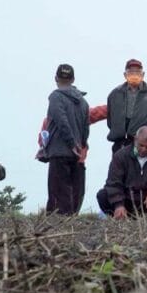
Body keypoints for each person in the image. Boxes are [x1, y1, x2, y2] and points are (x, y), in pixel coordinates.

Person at [97, 126, 147, 219]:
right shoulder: (120, 156)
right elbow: (113, 182)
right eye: (141, 145)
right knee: (103, 195)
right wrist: (118, 204)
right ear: (135, 139)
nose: (144, 149)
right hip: (127, 201)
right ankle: (119, 216)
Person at [44, 64, 90, 215]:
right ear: (73, 79)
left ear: (56, 79)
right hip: (76, 153)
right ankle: (70, 220)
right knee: (72, 193)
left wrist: (71, 143)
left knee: (58, 195)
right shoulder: (83, 102)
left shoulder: (56, 97)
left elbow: (61, 121)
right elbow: (86, 129)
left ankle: (57, 220)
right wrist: (80, 145)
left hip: (60, 151)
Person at [106, 59, 147, 153]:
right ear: (125, 75)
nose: (134, 75)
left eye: (137, 72)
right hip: (119, 144)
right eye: (131, 72)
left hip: (144, 145)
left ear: (143, 74)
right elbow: (110, 120)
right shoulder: (115, 94)